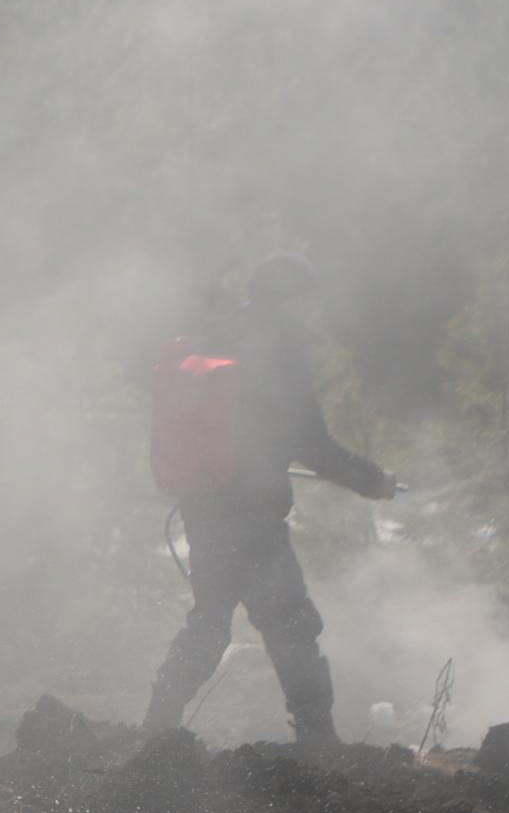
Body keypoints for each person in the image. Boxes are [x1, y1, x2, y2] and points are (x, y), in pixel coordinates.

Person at [143, 255, 396, 745]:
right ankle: (319, 744)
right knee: (291, 625)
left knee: (210, 622)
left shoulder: (214, 338)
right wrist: (373, 480)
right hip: (252, 515)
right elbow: (314, 446)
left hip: (203, 506)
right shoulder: (278, 353)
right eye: (306, 299)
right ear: (292, 300)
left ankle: (157, 727)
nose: (311, 309)